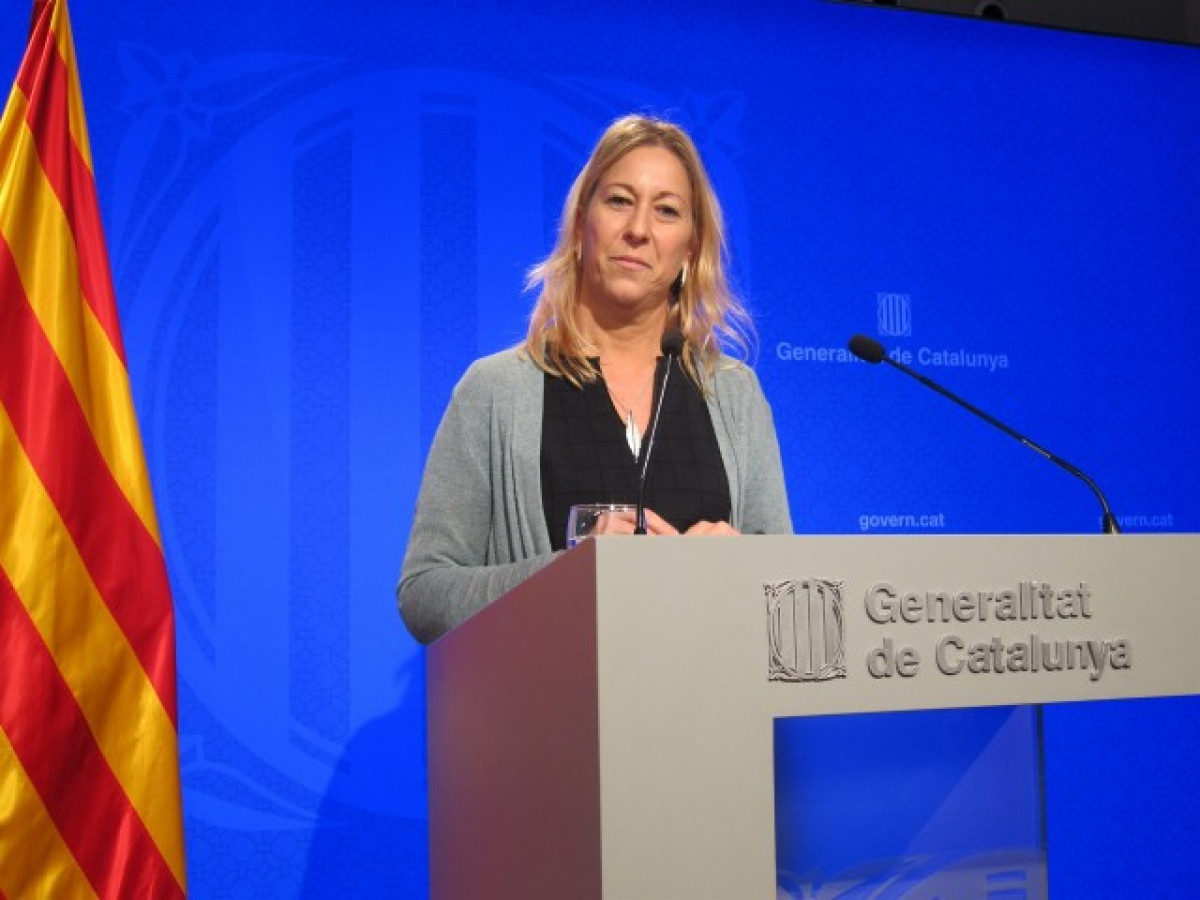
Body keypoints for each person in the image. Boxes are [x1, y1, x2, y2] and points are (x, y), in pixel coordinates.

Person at [398, 114, 791, 644]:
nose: (639, 230)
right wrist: (570, 575)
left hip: (709, 694)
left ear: (690, 248)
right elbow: (425, 593)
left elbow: (788, 591)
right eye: (620, 201)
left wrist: (739, 566)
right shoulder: (494, 391)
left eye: (667, 210)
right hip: (548, 697)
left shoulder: (735, 394)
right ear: (583, 223)